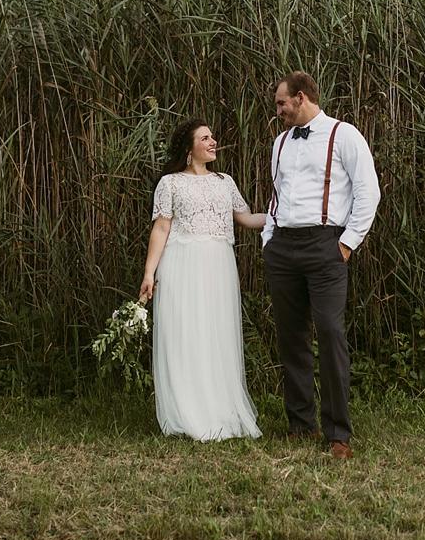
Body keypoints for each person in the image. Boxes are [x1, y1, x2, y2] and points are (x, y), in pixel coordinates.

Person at [262, 71, 379, 459]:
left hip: (325, 246)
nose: (277, 111)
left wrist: (346, 245)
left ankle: (338, 433)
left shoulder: (343, 135)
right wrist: (269, 241)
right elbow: (277, 197)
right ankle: (300, 424)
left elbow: (368, 191)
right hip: (283, 249)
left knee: (330, 334)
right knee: (291, 336)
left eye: (281, 103)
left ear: (300, 98)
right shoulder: (279, 143)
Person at [139, 119, 267, 441]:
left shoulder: (225, 182)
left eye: (213, 136)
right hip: (182, 265)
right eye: (205, 138)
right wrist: (149, 273)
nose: (213, 142)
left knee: (215, 333)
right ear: (188, 148)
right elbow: (162, 228)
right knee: (187, 333)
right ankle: (188, 414)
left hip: (218, 267)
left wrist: (285, 216)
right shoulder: (170, 183)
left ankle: (220, 409)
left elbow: (246, 218)